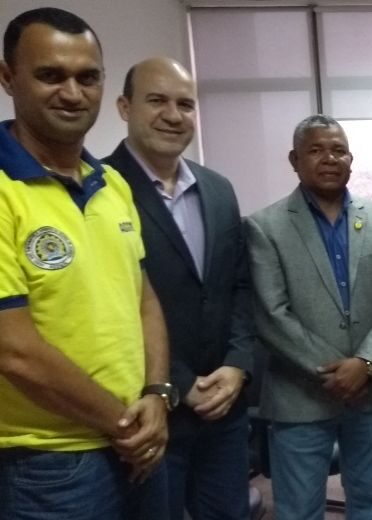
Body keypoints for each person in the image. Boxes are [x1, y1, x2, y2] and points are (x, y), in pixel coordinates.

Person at [0, 7, 172, 519]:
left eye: (88, 77)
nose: (72, 93)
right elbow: (13, 349)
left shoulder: (111, 183)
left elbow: (143, 299)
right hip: (48, 465)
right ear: (8, 77)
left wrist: (157, 394)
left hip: (138, 441)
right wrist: (127, 425)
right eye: (51, 75)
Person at [104, 57, 255, 519]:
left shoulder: (218, 189)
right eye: (157, 101)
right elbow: (109, 308)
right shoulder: (100, 189)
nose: (173, 115)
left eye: (185, 104)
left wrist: (238, 364)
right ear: (125, 107)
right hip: (147, 413)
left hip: (224, 412)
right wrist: (179, 382)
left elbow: (239, 287)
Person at [245, 115, 372, 520]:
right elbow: (271, 316)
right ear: (295, 159)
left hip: (371, 393)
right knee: (299, 510)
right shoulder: (265, 227)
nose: (329, 158)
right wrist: (337, 373)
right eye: (316, 150)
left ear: (351, 159)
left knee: (370, 504)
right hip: (299, 397)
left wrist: (366, 365)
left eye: (338, 150)